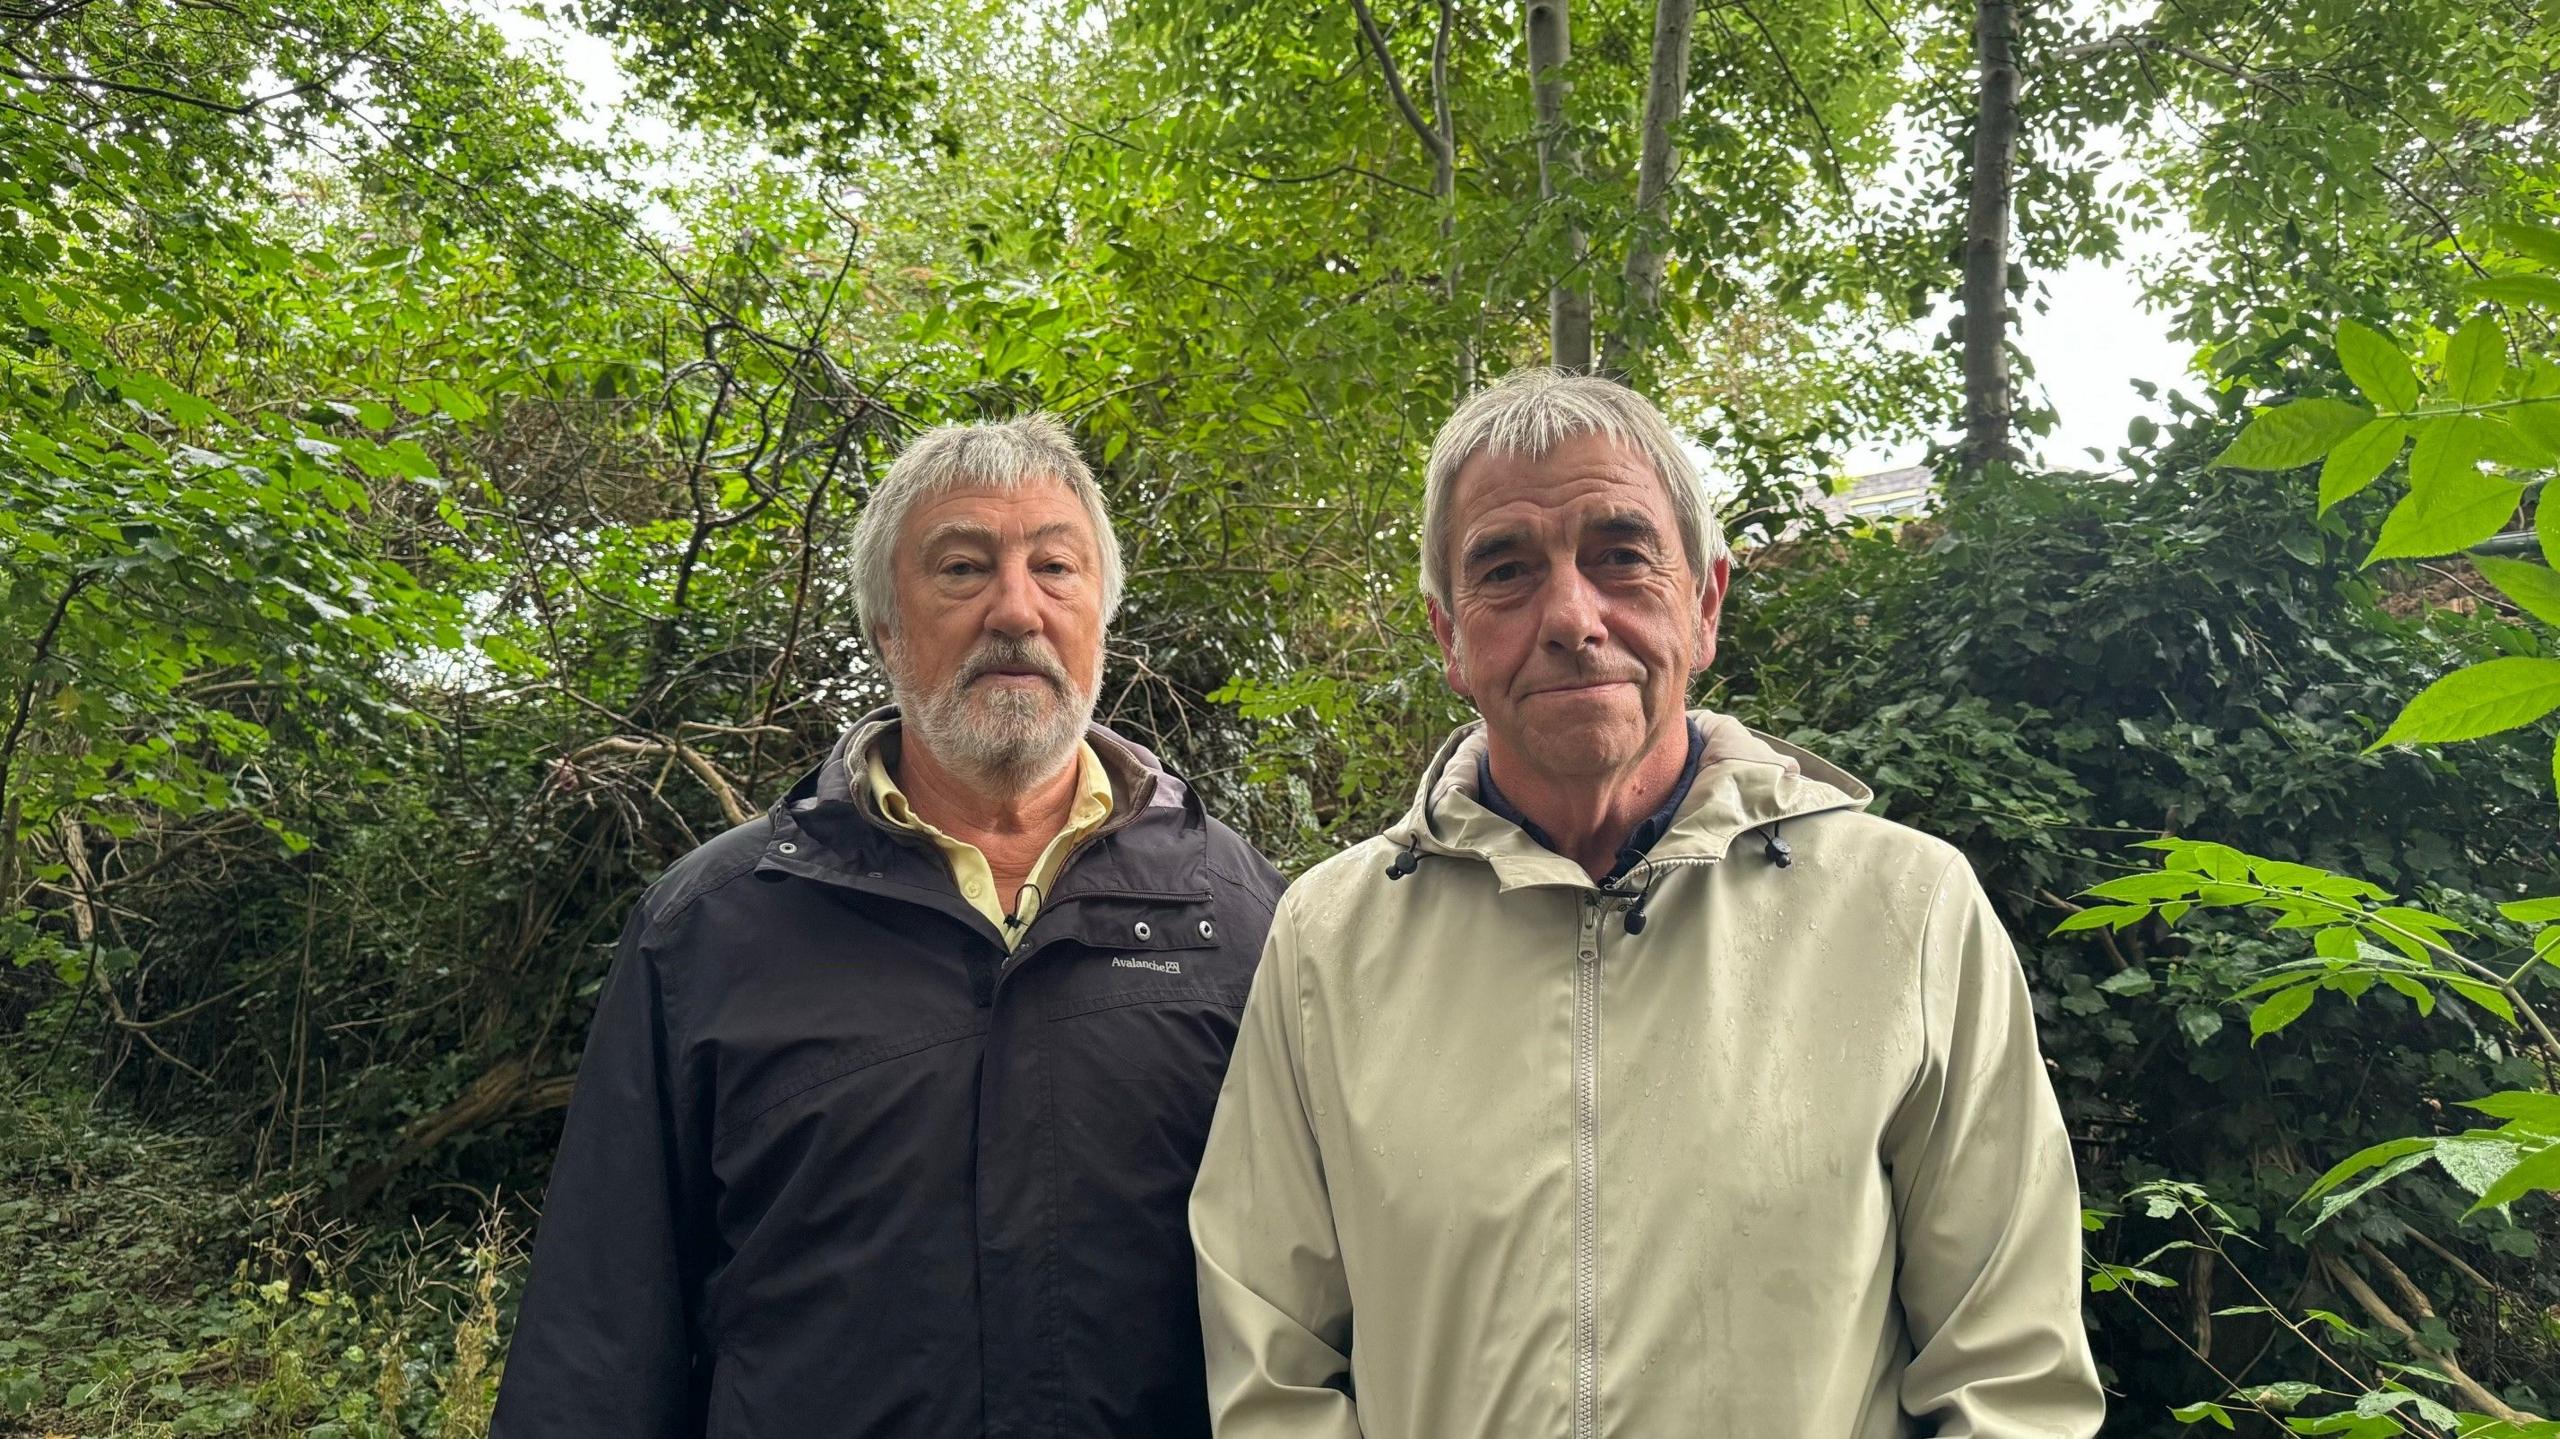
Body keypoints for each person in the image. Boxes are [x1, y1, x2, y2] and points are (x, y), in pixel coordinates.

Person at [1190, 370, 2103, 1438]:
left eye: (1620, 555)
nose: (1573, 616)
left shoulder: (1906, 911)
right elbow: (1272, 1369)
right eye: (1507, 569)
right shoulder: (1327, 940)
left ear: (1705, 601)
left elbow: (2010, 1378)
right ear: (1447, 633)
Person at [495, 415, 1285, 1438]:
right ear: (884, 629)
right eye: (962, 568)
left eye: (1056, 566)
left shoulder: (1242, 914)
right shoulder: (710, 931)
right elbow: (598, 1338)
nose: (1016, 608)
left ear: (1102, 614)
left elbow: (1314, 1309)